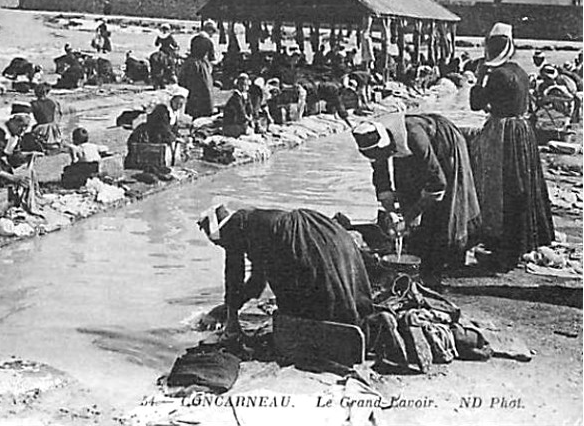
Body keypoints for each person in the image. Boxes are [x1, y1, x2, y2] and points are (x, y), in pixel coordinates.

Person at [198, 205, 373, 340]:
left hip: (296, 238)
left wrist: (231, 318)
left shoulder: (233, 230)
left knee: (309, 294)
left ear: (218, 233)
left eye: (217, 243)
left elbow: (234, 276)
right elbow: (257, 283)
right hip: (319, 229)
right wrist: (232, 307)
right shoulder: (249, 223)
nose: (221, 246)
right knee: (333, 283)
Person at [352, 113, 480, 285]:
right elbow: (381, 174)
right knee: (406, 188)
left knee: (447, 201)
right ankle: (418, 243)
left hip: (443, 144)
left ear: (387, 145)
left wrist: (411, 215)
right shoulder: (373, 140)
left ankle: (446, 256)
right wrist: (390, 209)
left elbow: (437, 184)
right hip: (410, 148)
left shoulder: (414, 136)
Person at [469, 23, 554, 270]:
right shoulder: (521, 71)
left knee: (499, 189)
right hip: (522, 131)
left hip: (502, 133)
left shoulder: (494, 74)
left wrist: (478, 79)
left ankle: (501, 247)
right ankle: (519, 244)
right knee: (521, 186)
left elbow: (477, 104)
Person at [179, 20, 217, 119]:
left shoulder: (194, 39)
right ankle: (204, 112)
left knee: (192, 89)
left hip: (190, 65)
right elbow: (212, 59)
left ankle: (192, 111)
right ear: (210, 30)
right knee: (205, 89)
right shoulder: (209, 42)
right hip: (201, 66)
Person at [29, 83, 63, 150]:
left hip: (42, 128)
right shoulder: (52, 102)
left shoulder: (34, 104)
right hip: (53, 127)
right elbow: (59, 115)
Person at [222, 73, 253, 137]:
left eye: (245, 85)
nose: (243, 87)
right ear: (238, 84)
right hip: (232, 122)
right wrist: (247, 118)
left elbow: (250, 108)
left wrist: (250, 115)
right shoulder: (236, 96)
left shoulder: (247, 95)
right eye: (241, 84)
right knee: (242, 130)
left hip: (242, 121)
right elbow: (240, 110)